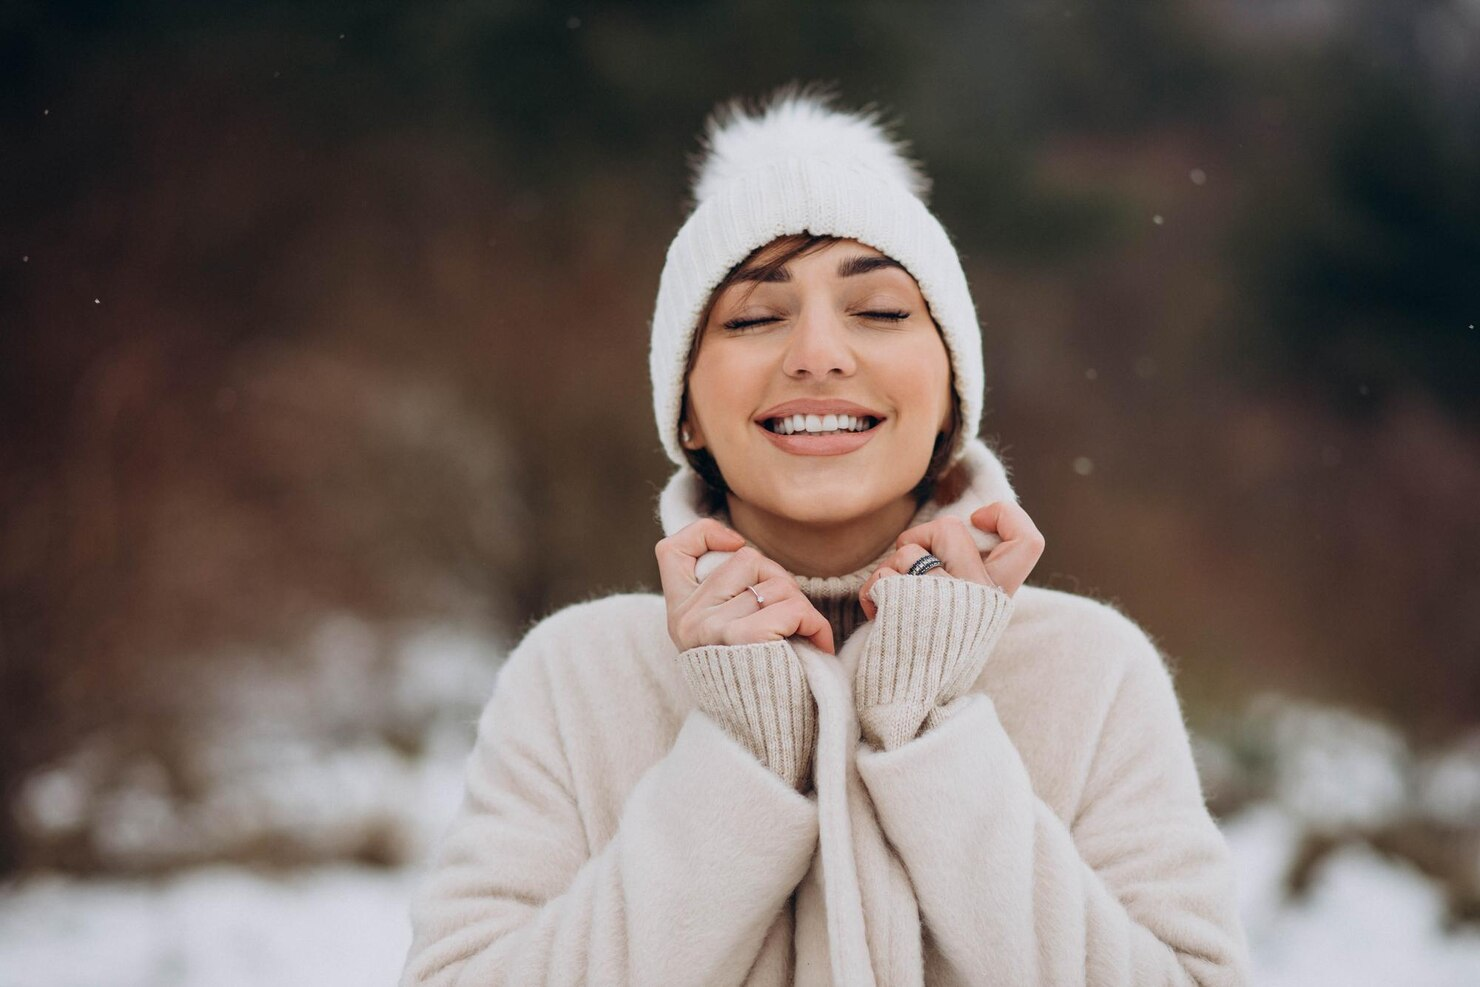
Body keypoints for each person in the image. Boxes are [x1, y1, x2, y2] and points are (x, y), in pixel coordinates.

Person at [398, 81, 1252, 986]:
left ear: (952, 394)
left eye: (880, 312)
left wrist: (930, 734)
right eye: (756, 317)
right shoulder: (574, 676)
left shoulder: (1094, 671)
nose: (817, 353)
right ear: (685, 409)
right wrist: (743, 754)